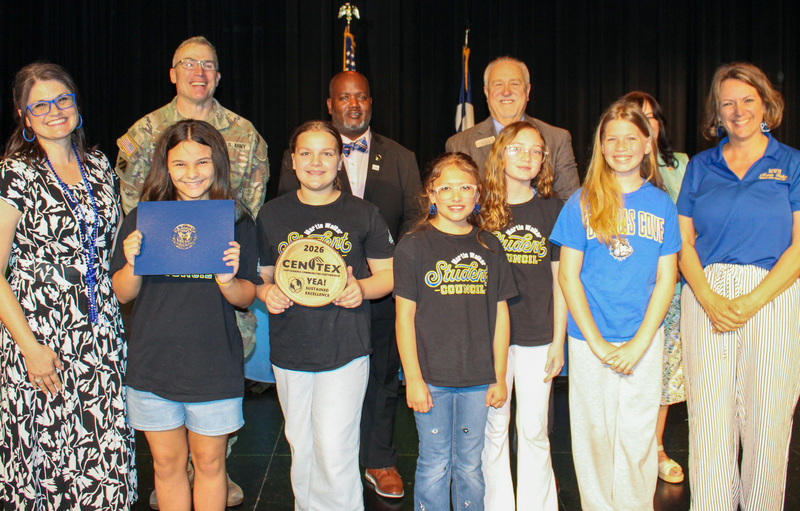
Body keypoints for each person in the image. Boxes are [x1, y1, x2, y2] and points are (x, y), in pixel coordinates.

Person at [115, 35, 268, 507]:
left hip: (214, 361)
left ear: (217, 163)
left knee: (210, 466)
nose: (192, 171)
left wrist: (227, 280)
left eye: (202, 162)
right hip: (154, 360)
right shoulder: (143, 218)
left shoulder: (236, 219)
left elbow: (247, 294)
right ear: (164, 165)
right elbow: (122, 292)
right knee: (165, 466)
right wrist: (135, 259)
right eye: (180, 163)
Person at [278, 70, 421, 498]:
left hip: (379, 288)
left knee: (381, 381)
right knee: (315, 417)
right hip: (313, 303)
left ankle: (379, 460)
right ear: (330, 104)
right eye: (344, 98)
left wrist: (389, 276)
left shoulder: (401, 156)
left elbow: (415, 221)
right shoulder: (302, 158)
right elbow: (287, 221)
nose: (353, 105)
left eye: (361, 97)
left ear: (371, 102)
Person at [0, 62, 136, 509]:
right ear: (24, 116)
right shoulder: (13, 174)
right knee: (50, 468)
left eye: (62, 99)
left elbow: (110, 248)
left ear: (76, 103)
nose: (54, 110)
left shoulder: (98, 166)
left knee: (102, 462)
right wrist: (29, 348)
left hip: (100, 339)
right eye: (40, 104)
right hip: (41, 344)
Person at [677, 62, 800, 510]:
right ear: (717, 112)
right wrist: (709, 298)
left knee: (768, 416)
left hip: (774, 293)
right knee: (710, 416)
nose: (738, 109)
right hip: (706, 295)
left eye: (747, 100)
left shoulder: (791, 163)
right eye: (727, 102)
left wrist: (752, 300)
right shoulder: (700, 167)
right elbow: (683, 242)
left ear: (766, 104)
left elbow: (799, 248)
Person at [257, 121, 394, 510]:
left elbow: (388, 276)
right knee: (301, 447)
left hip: (345, 347)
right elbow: (262, 277)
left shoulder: (364, 214)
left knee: (335, 448)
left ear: (339, 162)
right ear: (293, 160)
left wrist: (361, 289)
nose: (316, 162)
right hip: (290, 349)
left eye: (327, 153)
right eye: (306, 153)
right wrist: (268, 293)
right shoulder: (271, 214)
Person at [551, 100, 681, 510]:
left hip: (643, 340)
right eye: (612, 139)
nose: (621, 146)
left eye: (631, 138)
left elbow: (667, 279)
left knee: (639, 436)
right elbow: (568, 277)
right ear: (601, 147)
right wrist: (597, 343)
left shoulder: (662, 205)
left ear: (647, 142)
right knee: (593, 436)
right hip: (590, 340)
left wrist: (640, 343)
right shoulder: (581, 203)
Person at [394, 152, 517, 511]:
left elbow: (501, 314)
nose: (456, 195)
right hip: (430, 378)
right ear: (430, 194)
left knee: (470, 466)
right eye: (445, 187)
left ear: (478, 194)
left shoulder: (490, 245)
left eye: (465, 187)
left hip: (479, 378)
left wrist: (499, 376)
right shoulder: (413, 246)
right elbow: (404, 318)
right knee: (434, 464)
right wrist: (413, 379)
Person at [480, 121, 566, 510]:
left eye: (536, 151)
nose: (527, 157)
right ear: (499, 152)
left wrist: (559, 342)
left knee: (534, 429)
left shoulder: (554, 209)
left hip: (537, 335)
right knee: (493, 429)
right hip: (486, 337)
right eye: (517, 148)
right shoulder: (478, 207)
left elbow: (561, 281)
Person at [622, 91, 689, 485]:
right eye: (635, 118)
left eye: (651, 117)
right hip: (623, 290)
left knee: (661, 373)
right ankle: (626, 450)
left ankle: (657, 448)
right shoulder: (610, 168)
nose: (644, 124)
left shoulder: (680, 165)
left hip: (671, 288)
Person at [445, 56, 580, 201]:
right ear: (486, 92)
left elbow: (569, 203)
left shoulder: (557, 139)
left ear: (527, 91)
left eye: (515, 84)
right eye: (498, 84)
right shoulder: (459, 144)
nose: (506, 91)